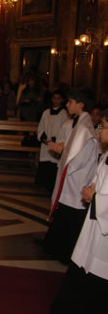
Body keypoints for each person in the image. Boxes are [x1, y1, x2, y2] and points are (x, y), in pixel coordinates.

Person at [50, 108, 108, 313]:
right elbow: (98, 176)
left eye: (104, 126)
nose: (100, 129)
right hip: (94, 225)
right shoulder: (107, 154)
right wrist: (92, 188)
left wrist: (96, 199)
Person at [43, 88, 100, 264]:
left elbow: (77, 158)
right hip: (73, 181)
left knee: (70, 219)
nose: (67, 105)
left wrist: (61, 149)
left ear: (80, 105)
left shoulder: (84, 128)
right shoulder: (80, 124)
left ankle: (64, 253)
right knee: (65, 215)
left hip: (77, 182)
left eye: (71, 102)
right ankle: (55, 248)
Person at [35, 90, 68, 192]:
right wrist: (43, 136)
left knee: (54, 164)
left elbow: (65, 129)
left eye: (58, 98)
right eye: (54, 98)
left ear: (62, 100)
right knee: (45, 162)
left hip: (56, 143)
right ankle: (42, 184)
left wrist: (57, 139)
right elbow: (41, 126)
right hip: (46, 143)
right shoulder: (46, 112)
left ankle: (51, 186)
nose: (56, 100)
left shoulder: (64, 114)